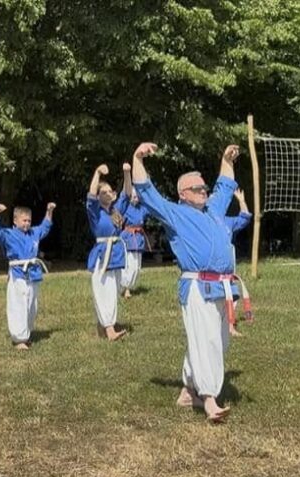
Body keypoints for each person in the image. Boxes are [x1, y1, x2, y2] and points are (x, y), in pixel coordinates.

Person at [132, 142, 249, 423]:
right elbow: (146, 191)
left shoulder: (214, 210)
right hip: (198, 287)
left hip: (222, 286)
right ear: (183, 194)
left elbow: (224, 185)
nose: (204, 191)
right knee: (206, 341)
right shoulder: (174, 213)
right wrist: (137, 158)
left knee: (216, 342)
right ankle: (209, 399)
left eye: (204, 188)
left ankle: (187, 391)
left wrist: (226, 159)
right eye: (197, 189)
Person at [0, 202, 56, 350]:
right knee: (18, 305)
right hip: (17, 273)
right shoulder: (8, 234)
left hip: (32, 273)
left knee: (32, 305)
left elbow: (45, 226)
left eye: (29, 221)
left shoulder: (33, 233)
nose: (27, 224)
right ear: (15, 220)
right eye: (24, 220)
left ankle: (27, 332)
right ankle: (19, 338)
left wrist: (49, 210)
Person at [85, 163, 129, 341]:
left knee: (114, 289)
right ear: (99, 196)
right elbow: (90, 195)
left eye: (110, 191)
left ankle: (104, 325)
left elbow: (127, 193)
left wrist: (127, 173)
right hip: (103, 254)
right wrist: (97, 172)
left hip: (116, 254)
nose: (108, 194)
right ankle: (110, 330)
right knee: (104, 289)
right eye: (104, 192)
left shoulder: (115, 211)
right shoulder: (95, 212)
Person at [224, 188, 254, 336]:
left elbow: (245, 217)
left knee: (232, 295)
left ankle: (230, 326)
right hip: (210, 271)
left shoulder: (227, 222)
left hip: (228, 267)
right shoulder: (203, 220)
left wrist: (241, 201)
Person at [119, 162, 151, 298]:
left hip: (138, 238)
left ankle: (129, 286)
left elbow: (149, 204)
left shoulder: (142, 208)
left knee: (137, 266)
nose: (135, 198)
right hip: (128, 237)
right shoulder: (126, 207)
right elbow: (124, 194)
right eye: (133, 195)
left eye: (137, 196)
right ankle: (125, 288)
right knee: (129, 264)